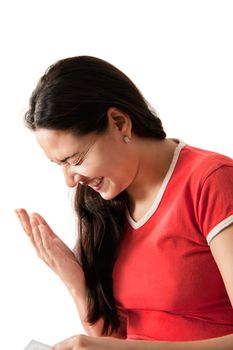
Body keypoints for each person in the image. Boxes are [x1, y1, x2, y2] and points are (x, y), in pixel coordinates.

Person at [15, 56, 233, 350]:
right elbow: (113, 338)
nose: (70, 179)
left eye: (75, 159)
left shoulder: (211, 181)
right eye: (60, 165)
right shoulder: (103, 202)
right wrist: (77, 284)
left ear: (119, 123)